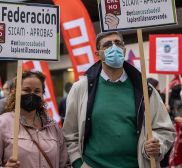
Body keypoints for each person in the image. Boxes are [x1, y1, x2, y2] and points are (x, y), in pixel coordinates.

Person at [63, 31, 175, 168]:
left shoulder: (145, 89)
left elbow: (165, 130)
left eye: (118, 43)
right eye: (107, 45)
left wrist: (157, 144)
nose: (114, 47)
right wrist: (78, 164)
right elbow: (70, 134)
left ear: (124, 50)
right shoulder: (81, 89)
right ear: (98, 54)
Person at [0, 69, 71, 167]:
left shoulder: (53, 126)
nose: (32, 94)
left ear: (42, 94)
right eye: (26, 90)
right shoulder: (0, 124)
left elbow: (64, 164)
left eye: (37, 91)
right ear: (16, 92)